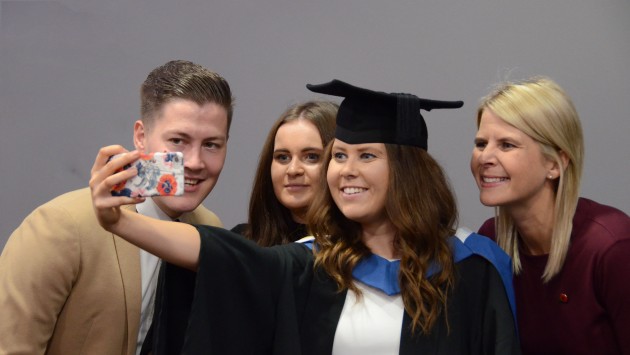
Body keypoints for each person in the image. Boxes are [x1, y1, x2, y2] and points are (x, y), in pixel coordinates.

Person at [91, 79, 520, 354]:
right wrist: (122, 222)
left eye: (366, 156)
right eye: (339, 156)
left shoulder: (471, 267)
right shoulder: (313, 264)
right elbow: (217, 253)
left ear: (406, 172)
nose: (346, 170)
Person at [0, 60, 234, 355]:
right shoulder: (59, 227)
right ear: (141, 136)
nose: (195, 162)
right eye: (178, 140)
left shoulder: (210, 231)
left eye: (212, 144)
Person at [471, 76, 630, 354]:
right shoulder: (490, 241)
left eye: (507, 145)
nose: (485, 157)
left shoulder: (611, 248)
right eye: (481, 143)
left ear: (555, 164)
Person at [232, 100, 338, 245]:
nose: (293, 170)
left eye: (311, 157)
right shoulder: (241, 242)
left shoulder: (358, 252)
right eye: (283, 157)